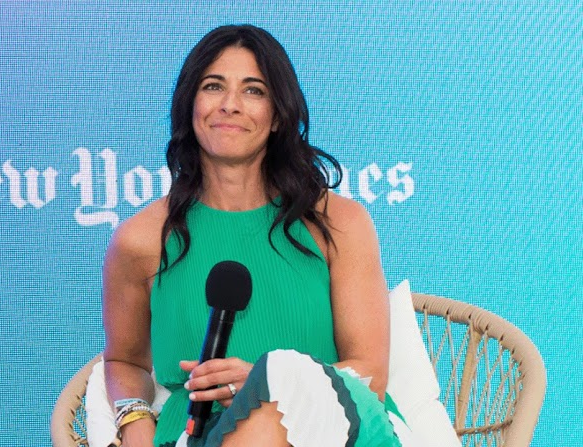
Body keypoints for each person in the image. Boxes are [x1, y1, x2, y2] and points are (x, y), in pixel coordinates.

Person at [102, 24, 410, 447]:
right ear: (190, 104)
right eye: (213, 87)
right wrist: (133, 419)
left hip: (334, 425)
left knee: (264, 422)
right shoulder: (140, 240)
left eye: (253, 91)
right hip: (198, 430)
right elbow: (124, 360)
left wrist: (269, 384)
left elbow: (369, 371)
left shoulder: (340, 224)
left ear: (279, 114)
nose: (230, 105)